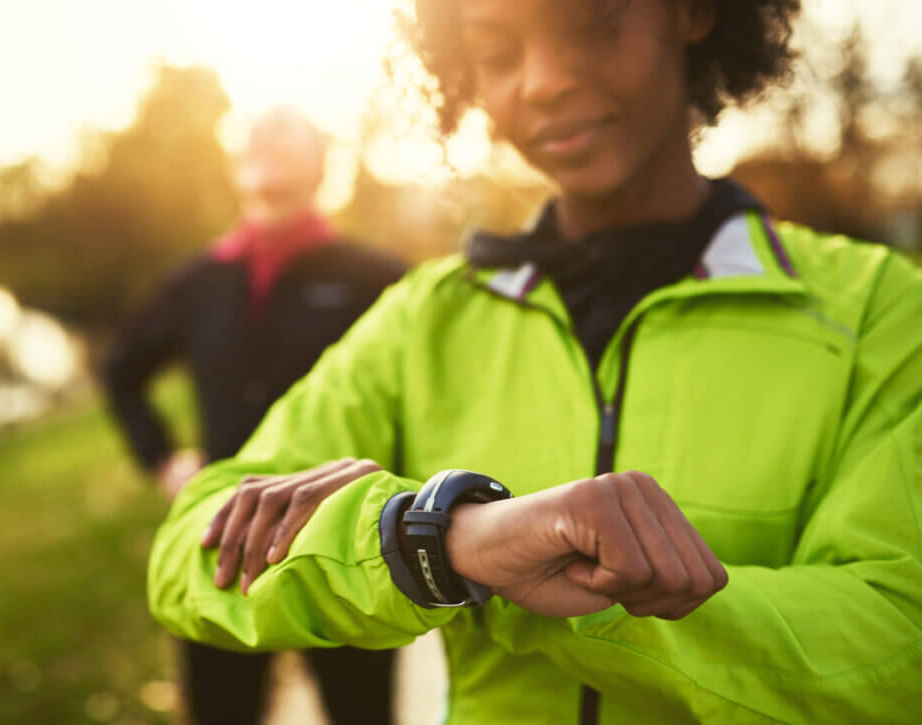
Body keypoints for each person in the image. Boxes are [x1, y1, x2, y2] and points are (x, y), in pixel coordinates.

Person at [147, 2, 922, 723]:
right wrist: (439, 542)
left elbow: (899, 637)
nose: (544, 80)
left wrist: (551, 593)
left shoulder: (881, 310)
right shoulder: (425, 319)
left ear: (693, 11)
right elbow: (190, 554)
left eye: (592, 22)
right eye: (496, 49)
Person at [102, 107, 405, 724]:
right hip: (225, 538)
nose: (269, 134)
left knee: (362, 710)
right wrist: (163, 459)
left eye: (290, 130)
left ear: (320, 166)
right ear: (236, 166)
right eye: (257, 132)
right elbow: (121, 371)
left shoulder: (375, 279)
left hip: (344, 539)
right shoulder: (196, 281)